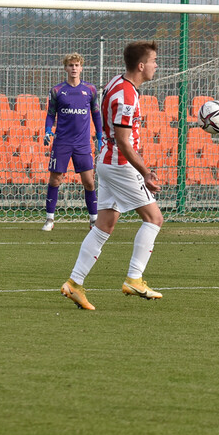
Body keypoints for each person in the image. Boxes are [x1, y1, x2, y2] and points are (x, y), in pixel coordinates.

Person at [60, 41, 164, 311]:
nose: (156, 65)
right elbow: (124, 141)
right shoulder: (127, 95)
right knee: (154, 218)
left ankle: (74, 283)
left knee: (104, 225)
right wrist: (146, 173)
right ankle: (134, 278)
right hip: (120, 165)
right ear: (141, 66)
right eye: (153, 61)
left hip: (106, 162)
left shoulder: (117, 82)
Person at [41, 53, 104, 231]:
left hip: (82, 143)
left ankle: (93, 221)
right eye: (70, 65)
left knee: (89, 181)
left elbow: (96, 114)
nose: (74, 68)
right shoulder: (57, 91)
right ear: (65, 68)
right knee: (55, 180)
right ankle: (50, 219)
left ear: (81, 67)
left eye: (77, 65)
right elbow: (51, 114)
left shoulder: (90, 90)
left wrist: (99, 137)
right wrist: (48, 130)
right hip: (62, 142)